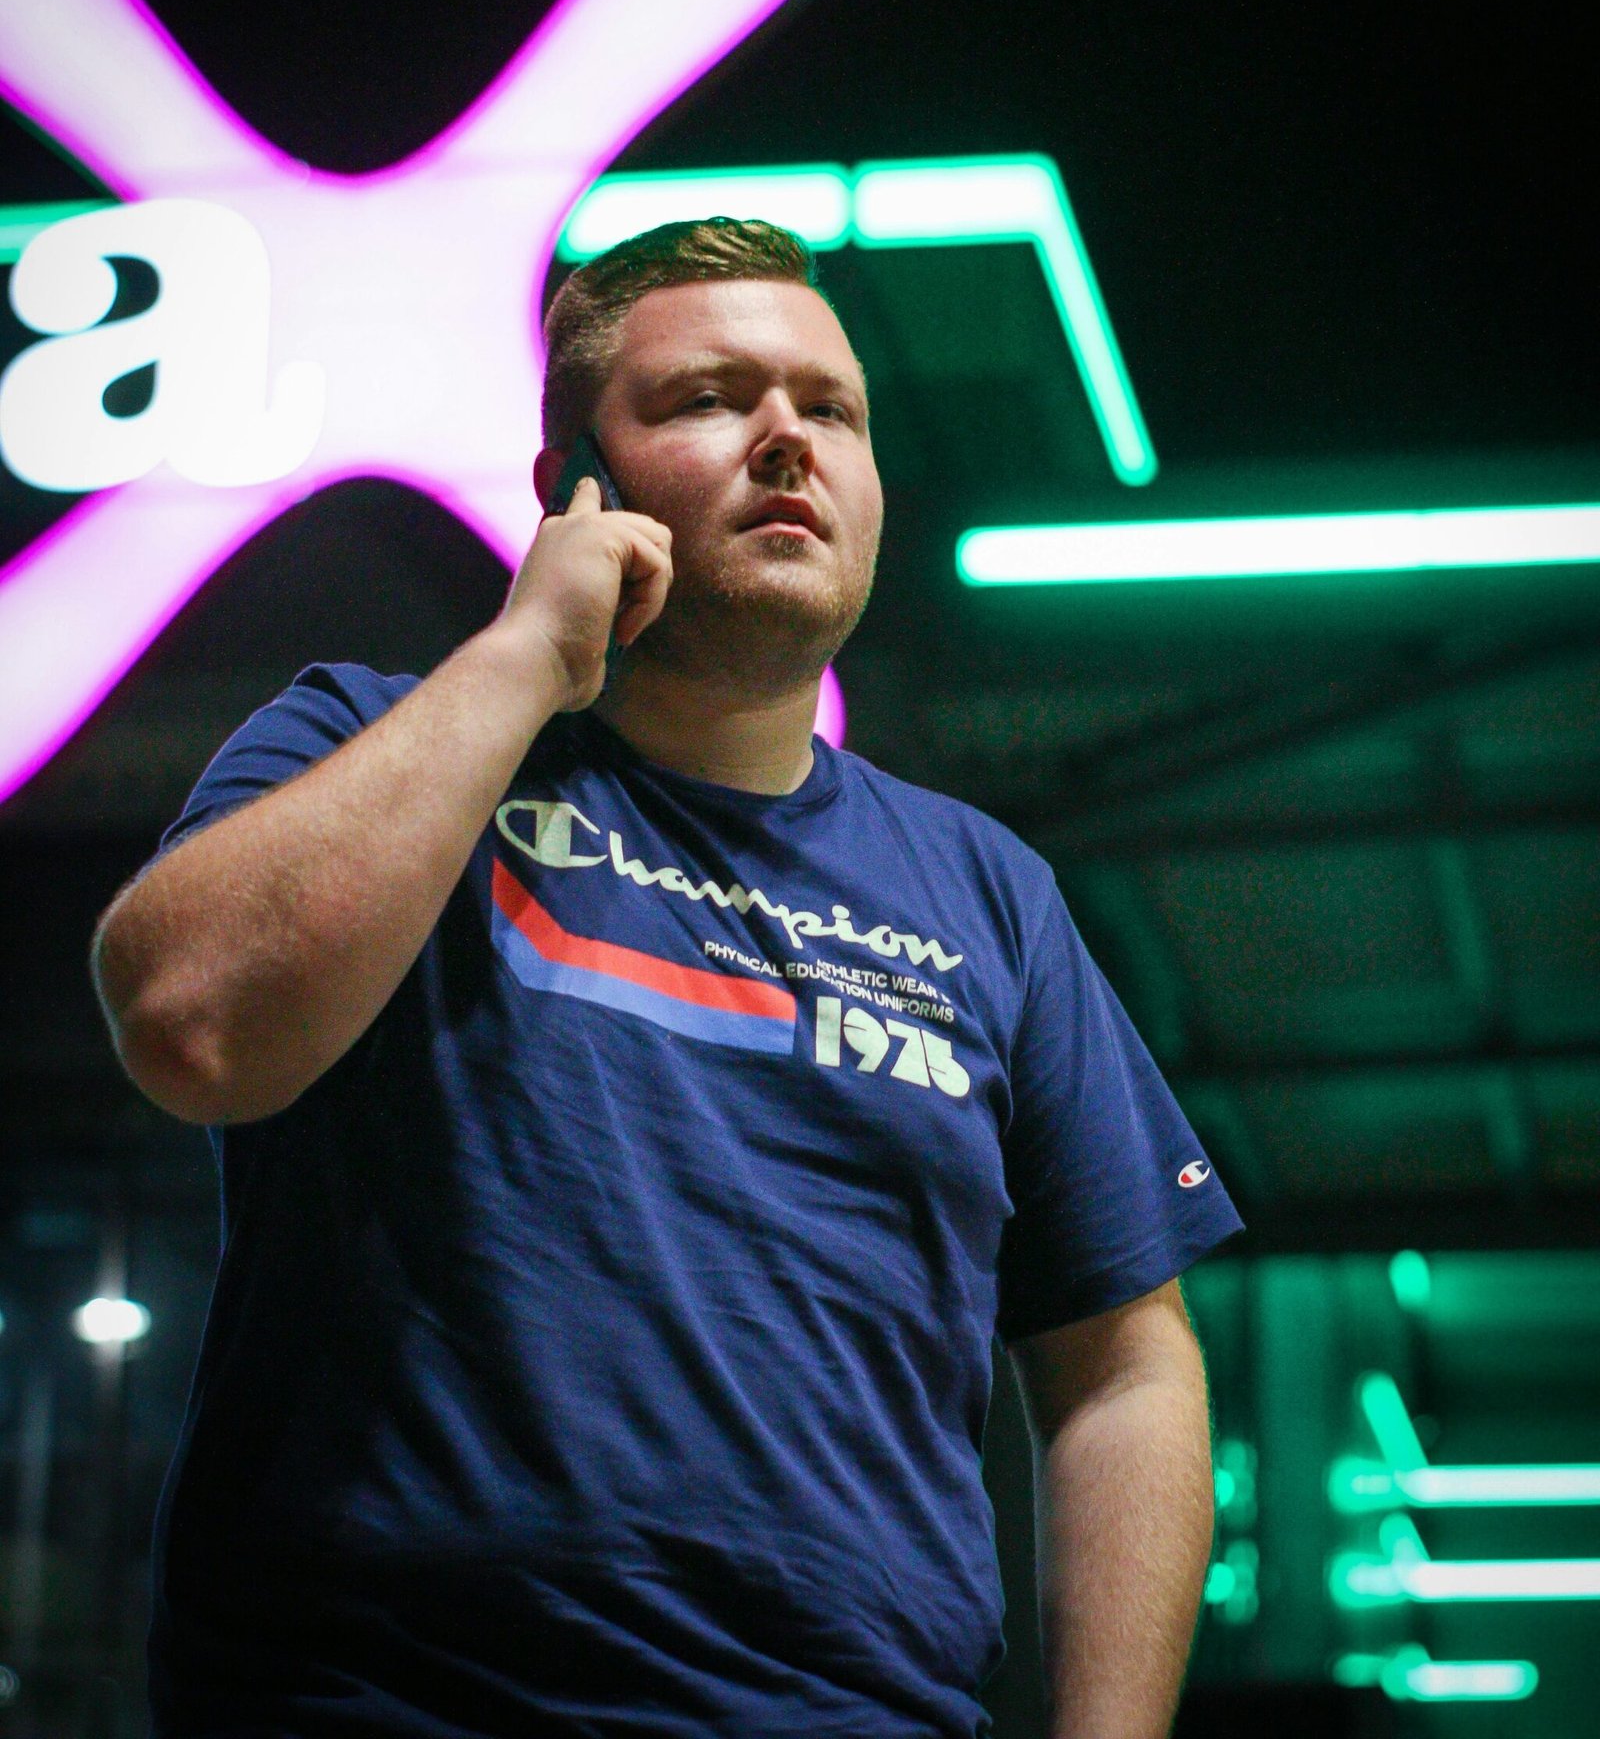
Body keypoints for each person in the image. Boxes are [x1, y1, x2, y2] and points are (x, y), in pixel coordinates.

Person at [93, 218, 1244, 1738]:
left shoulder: (987, 894)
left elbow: (1125, 1369)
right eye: (709, 398)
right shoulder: (365, 744)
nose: (787, 440)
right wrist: (525, 653)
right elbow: (192, 1027)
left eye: (831, 410)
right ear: (575, 484)